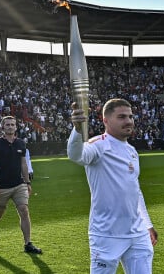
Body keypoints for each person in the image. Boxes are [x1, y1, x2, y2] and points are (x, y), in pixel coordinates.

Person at [67, 99, 158, 274]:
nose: (129, 121)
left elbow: (135, 190)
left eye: (131, 116)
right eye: (122, 117)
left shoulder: (132, 151)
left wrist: (147, 223)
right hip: (106, 234)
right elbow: (76, 155)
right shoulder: (98, 146)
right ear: (106, 120)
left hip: (137, 233)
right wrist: (77, 130)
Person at [0, 116, 42, 254]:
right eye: (7, 125)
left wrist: (27, 182)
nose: (10, 127)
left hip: (18, 184)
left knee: (24, 210)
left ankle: (28, 243)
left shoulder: (21, 143)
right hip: (1, 187)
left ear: (16, 127)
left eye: (13, 124)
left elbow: (23, 164)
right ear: (2, 127)